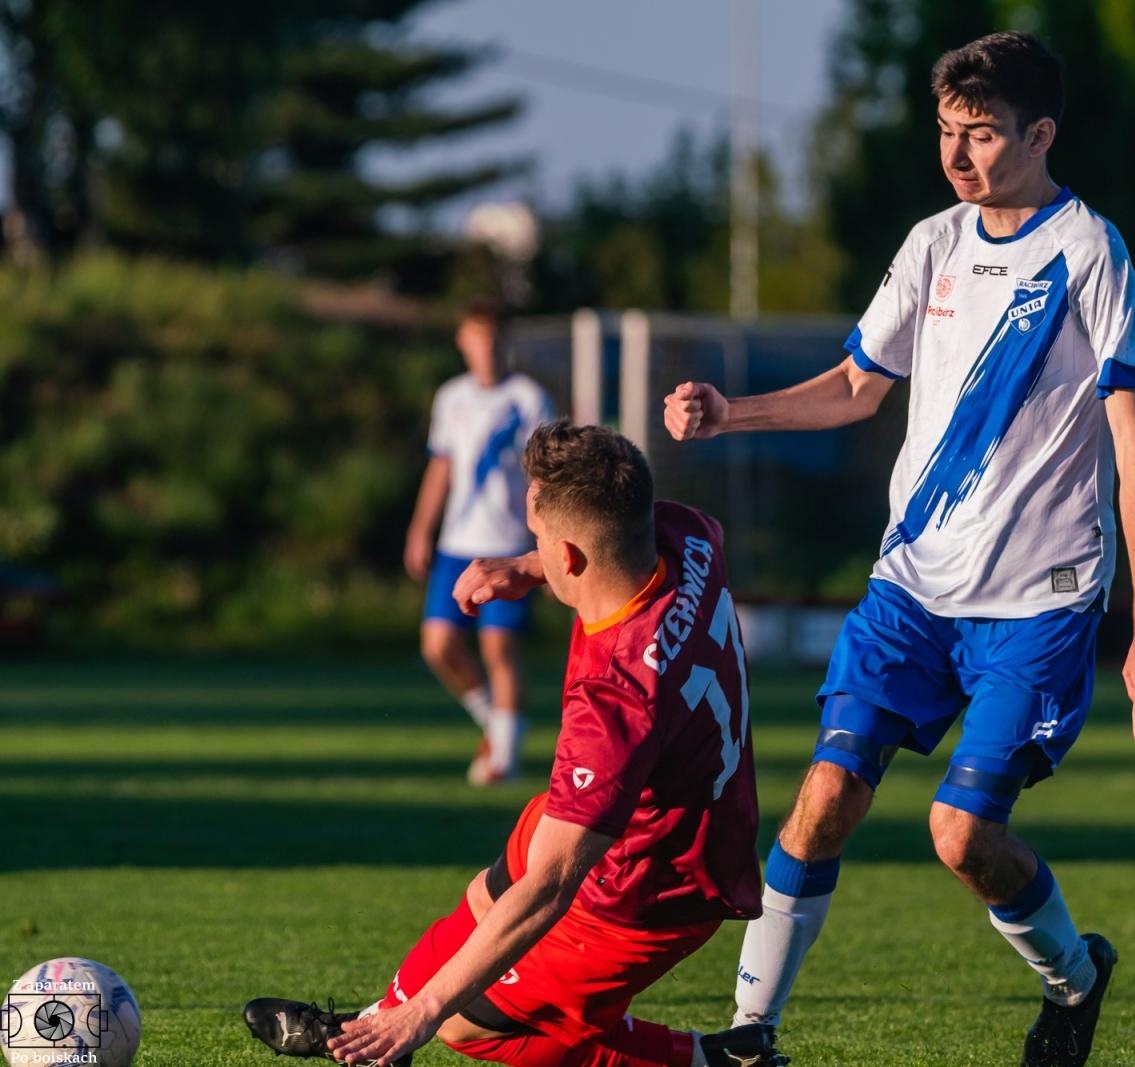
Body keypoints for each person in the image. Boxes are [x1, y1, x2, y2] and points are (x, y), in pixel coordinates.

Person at [663, 31, 1135, 1067]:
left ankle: (1075, 978)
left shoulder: (1089, 251)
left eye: (984, 134)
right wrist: (733, 411)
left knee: (962, 835)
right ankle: (750, 1034)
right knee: (823, 797)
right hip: (912, 589)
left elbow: (1134, 444)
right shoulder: (932, 244)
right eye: (947, 130)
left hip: (1039, 602)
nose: (958, 155)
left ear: (1040, 135)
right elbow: (855, 385)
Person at [246, 421, 787, 1067]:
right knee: (484, 898)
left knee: (466, 1026)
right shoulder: (687, 536)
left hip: (649, 886)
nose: (532, 549)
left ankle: (702, 1060)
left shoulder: (615, 700)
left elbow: (553, 886)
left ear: (571, 557)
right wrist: (529, 568)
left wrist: (426, 1011)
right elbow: (635, 540)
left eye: (536, 539)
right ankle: (371, 1025)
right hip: (631, 816)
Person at [405, 297, 556, 785]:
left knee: (498, 648)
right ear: (462, 341)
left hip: (507, 543)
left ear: (505, 342)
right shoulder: (451, 397)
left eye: (493, 337)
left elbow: (545, 477)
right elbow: (442, 466)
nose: (485, 347)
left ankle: (503, 762)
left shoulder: (528, 398)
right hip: (457, 543)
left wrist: (547, 541)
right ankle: (495, 720)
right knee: (438, 646)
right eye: (477, 337)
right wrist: (420, 529)